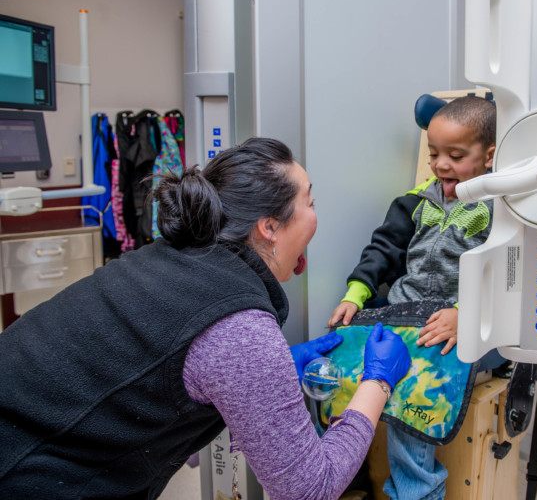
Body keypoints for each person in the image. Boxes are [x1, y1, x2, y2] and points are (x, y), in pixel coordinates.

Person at [0, 137, 411, 500]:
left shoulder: (171, 260)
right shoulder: (239, 328)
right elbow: (309, 488)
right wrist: (377, 383)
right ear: (269, 227)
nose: (316, 213)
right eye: (311, 202)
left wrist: (276, 365)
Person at [328, 96, 498, 500]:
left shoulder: (498, 211)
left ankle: (416, 492)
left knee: (411, 394)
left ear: (488, 156)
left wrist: (465, 313)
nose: (440, 164)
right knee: (337, 361)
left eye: (455, 156)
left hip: (456, 322)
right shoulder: (418, 201)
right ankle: (340, 478)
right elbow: (383, 250)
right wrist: (357, 293)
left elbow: (507, 273)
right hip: (403, 310)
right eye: (434, 153)